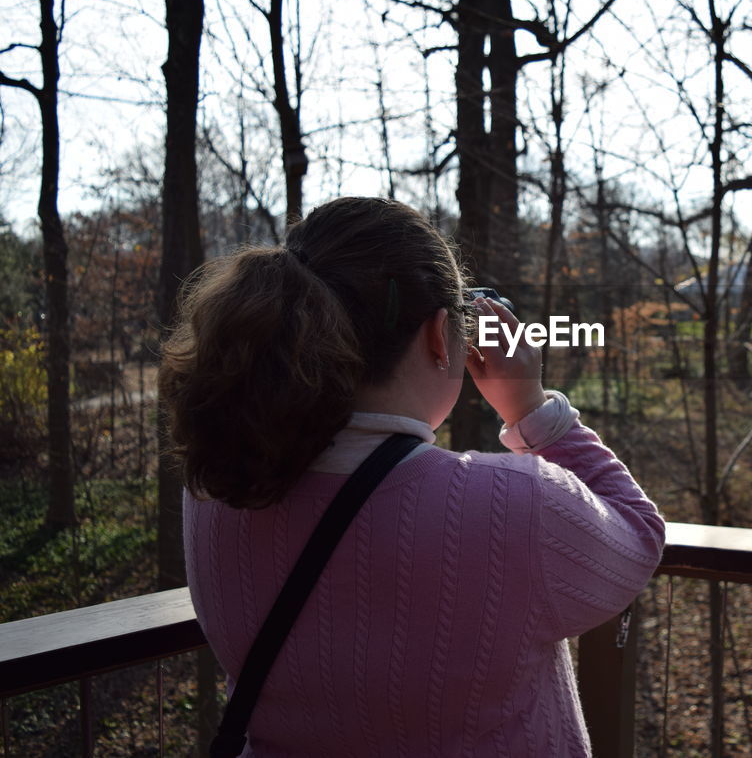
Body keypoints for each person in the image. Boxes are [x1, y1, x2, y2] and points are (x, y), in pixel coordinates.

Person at [160, 196, 665, 756]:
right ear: (436, 335)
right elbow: (638, 537)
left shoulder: (216, 484)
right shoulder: (514, 507)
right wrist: (530, 407)